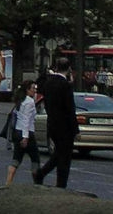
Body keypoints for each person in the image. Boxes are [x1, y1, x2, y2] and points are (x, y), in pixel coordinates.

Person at [34, 57, 79, 188]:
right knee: (64, 156)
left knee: (59, 154)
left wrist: (46, 73)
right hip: (65, 126)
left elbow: (39, 84)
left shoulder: (49, 83)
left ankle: (41, 174)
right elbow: (70, 109)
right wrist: (75, 130)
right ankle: (60, 183)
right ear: (69, 69)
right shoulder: (65, 85)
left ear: (56, 68)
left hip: (52, 124)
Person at [6, 79, 42, 185]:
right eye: (33, 88)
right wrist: (25, 137)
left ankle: (8, 182)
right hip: (27, 133)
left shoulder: (20, 100)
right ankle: (37, 183)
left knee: (16, 158)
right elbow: (26, 120)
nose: (34, 91)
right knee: (35, 158)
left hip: (17, 131)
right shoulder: (29, 102)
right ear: (27, 90)